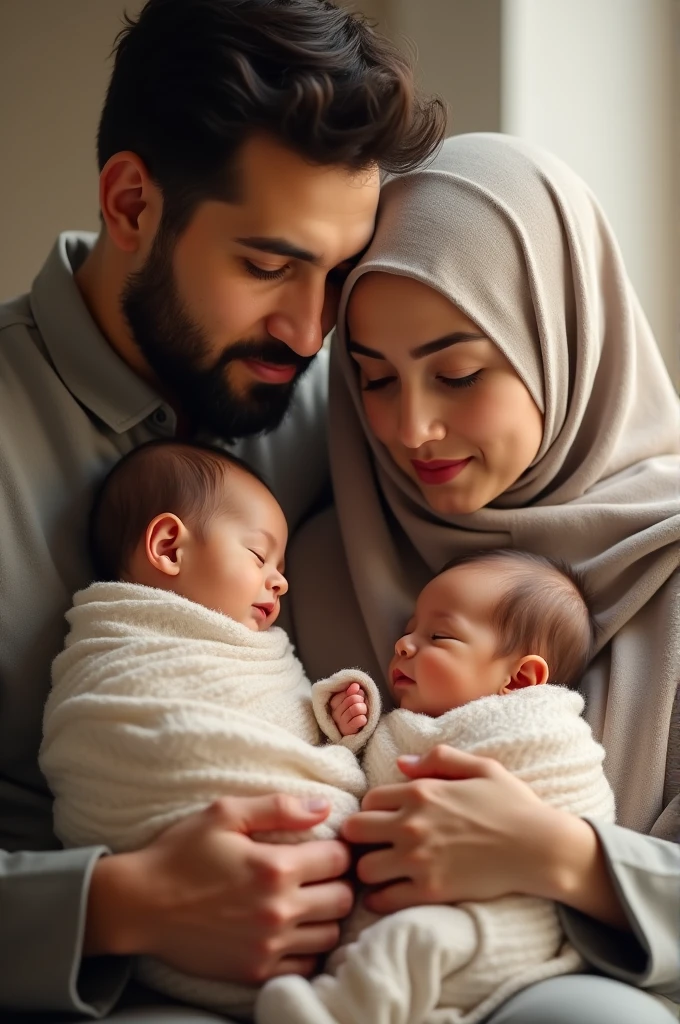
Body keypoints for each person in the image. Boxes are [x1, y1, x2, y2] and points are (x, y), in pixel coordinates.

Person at [0, 0, 445, 1017]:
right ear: (129, 204)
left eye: (336, 274)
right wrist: (113, 906)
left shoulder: (349, 407)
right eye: (266, 265)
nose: (307, 329)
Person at [286, 133, 680, 1022]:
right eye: (374, 379)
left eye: (458, 372)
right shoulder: (315, 562)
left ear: (561, 336)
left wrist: (565, 858)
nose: (413, 426)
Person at [39, 439, 380, 1017]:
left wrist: (334, 720)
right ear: (169, 547)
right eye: (258, 556)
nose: (280, 583)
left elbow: (286, 721)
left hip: (312, 885)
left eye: (280, 568)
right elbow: (102, 738)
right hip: (192, 894)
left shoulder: (257, 652)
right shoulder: (116, 650)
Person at [258, 549, 617, 1024]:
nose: (404, 644)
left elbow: (578, 799)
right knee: (379, 947)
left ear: (521, 678)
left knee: (409, 944)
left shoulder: (544, 727)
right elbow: (367, 784)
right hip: (405, 898)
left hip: (504, 916)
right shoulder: (404, 725)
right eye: (408, 629)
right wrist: (350, 730)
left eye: (439, 636)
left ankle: (330, 1014)